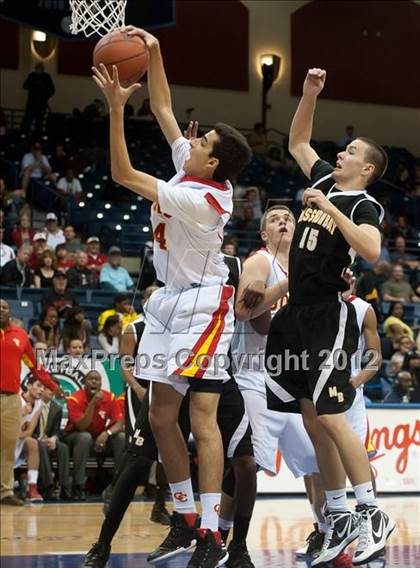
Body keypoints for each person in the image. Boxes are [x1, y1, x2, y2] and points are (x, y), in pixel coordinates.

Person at [92, 24, 251, 567]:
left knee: (201, 421)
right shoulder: (196, 166)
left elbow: (120, 171)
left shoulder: (203, 200)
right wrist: (156, 51)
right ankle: (183, 516)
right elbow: (162, 106)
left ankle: (210, 532)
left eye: (202, 142)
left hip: (205, 306)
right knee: (161, 418)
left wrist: (116, 109)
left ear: (213, 165)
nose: (192, 138)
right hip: (167, 300)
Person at [265, 68, 394, 566]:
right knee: (312, 417)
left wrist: (328, 207)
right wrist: (310, 94)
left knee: (335, 417)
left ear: (365, 169)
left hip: (326, 317)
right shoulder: (321, 177)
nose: (341, 153)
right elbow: (298, 140)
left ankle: (372, 511)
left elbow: (372, 252)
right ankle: (337, 515)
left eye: (352, 152)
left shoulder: (364, 203)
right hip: (295, 313)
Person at [231, 206, 318, 566]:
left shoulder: (307, 269)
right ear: (265, 234)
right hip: (254, 373)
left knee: (318, 460)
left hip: (294, 375)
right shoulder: (260, 262)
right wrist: (286, 284)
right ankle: (231, 542)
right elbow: (245, 313)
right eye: (274, 218)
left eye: (289, 218)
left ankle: (326, 532)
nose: (283, 220)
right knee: (246, 465)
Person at [0, 299, 59, 506]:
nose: (1, 309)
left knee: (8, 445)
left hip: (10, 397)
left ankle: (5, 492)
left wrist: (52, 386)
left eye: (5, 307)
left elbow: (34, 367)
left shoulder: (20, 336)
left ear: (10, 312)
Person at [62, 370, 125, 500]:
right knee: (85, 437)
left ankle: (118, 485)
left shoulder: (110, 398)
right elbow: (81, 426)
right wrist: (92, 404)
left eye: (97, 379)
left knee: (121, 437)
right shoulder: (75, 399)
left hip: (99, 438)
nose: (94, 381)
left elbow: (119, 424)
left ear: (101, 383)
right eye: (91, 379)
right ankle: (78, 486)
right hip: (75, 438)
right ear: (84, 382)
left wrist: (107, 433)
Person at [37, 383, 71, 500]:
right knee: (41, 446)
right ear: (42, 389)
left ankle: (64, 486)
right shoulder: (34, 404)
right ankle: (48, 485)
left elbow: (57, 430)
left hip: (48, 439)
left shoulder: (57, 408)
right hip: (34, 439)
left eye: (54, 389)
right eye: (49, 388)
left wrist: (54, 438)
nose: (52, 391)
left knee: (63, 447)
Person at [14, 376, 45, 502]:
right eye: (38, 385)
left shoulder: (39, 404)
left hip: (19, 438)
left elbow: (30, 431)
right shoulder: (15, 400)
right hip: (5, 438)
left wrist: (18, 437)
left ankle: (32, 487)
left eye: (43, 387)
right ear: (29, 386)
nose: (41, 390)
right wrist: (21, 413)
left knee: (32, 443)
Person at [21, 62, 55, 134]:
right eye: (37, 69)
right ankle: (24, 136)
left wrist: (45, 97)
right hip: (31, 104)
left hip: (41, 105)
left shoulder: (46, 77)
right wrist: (33, 84)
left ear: (43, 69)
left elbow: (52, 90)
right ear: (35, 69)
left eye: (40, 69)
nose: (39, 70)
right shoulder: (32, 76)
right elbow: (24, 86)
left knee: (39, 123)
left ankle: (38, 138)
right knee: (26, 122)